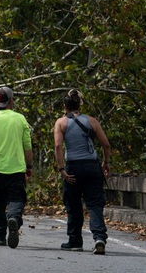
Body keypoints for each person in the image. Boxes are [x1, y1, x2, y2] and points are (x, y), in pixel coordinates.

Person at [54, 88, 112, 255]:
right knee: (94, 204)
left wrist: (61, 169)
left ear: (65, 106)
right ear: (80, 104)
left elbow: (58, 146)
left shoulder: (61, 123)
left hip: (73, 167)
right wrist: (106, 162)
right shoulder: (92, 121)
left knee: (73, 204)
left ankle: (75, 241)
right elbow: (106, 144)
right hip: (92, 167)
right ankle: (99, 237)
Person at [0, 86, 33, 249]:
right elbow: (27, 145)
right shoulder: (20, 119)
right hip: (16, 169)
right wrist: (29, 166)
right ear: (11, 101)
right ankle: (14, 218)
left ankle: (0, 235)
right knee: (17, 199)